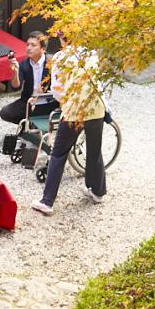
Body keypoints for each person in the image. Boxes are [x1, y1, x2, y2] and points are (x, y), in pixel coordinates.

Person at [32, 40, 107, 214]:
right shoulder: (92, 53)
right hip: (96, 107)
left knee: (58, 153)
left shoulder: (60, 57)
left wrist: (65, 102)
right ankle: (98, 192)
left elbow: (57, 90)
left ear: (61, 37)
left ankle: (47, 201)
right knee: (95, 150)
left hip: (74, 110)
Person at [0, 32, 55, 124]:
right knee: (5, 113)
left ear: (43, 49)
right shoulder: (24, 64)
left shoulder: (52, 62)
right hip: (29, 100)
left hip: (48, 101)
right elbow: (16, 86)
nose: (29, 48)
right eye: (28, 45)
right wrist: (16, 71)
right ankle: (28, 124)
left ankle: (33, 125)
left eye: (33, 45)